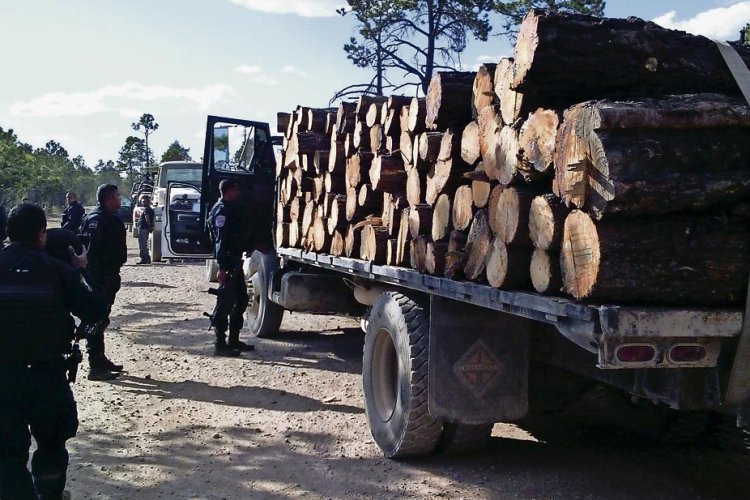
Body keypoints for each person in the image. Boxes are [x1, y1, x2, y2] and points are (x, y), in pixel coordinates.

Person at [0, 203, 107, 499]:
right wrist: (82, 269)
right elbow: (97, 309)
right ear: (41, 234)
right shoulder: (59, 271)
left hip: (3, 380)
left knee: (7, 458)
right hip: (46, 377)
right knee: (51, 445)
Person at [78, 184, 127, 380]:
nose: (119, 199)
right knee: (95, 319)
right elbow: (91, 253)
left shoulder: (109, 217)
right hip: (99, 278)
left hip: (108, 276)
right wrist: (97, 281)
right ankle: (95, 366)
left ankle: (100, 358)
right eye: (116, 196)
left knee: (102, 318)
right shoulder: (96, 220)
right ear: (108, 199)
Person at [208, 179, 254, 356]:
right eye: (235, 190)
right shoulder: (222, 210)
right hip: (227, 264)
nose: (238, 193)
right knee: (225, 304)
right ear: (228, 191)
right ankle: (220, 344)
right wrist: (221, 267)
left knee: (241, 300)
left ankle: (234, 340)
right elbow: (221, 241)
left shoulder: (230, 208)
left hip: (234, 262)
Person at [136, 196, 154, 265]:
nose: (143, 203)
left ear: (148, 202)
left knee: (142, 245)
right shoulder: (148, 209)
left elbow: (147, 219)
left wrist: (149, 226)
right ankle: (146, 258)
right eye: (143, 201)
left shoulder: (147, 209)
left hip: (143, 228)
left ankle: (144, 259)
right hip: (144, 228)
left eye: (145, 201)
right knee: (143, 244)